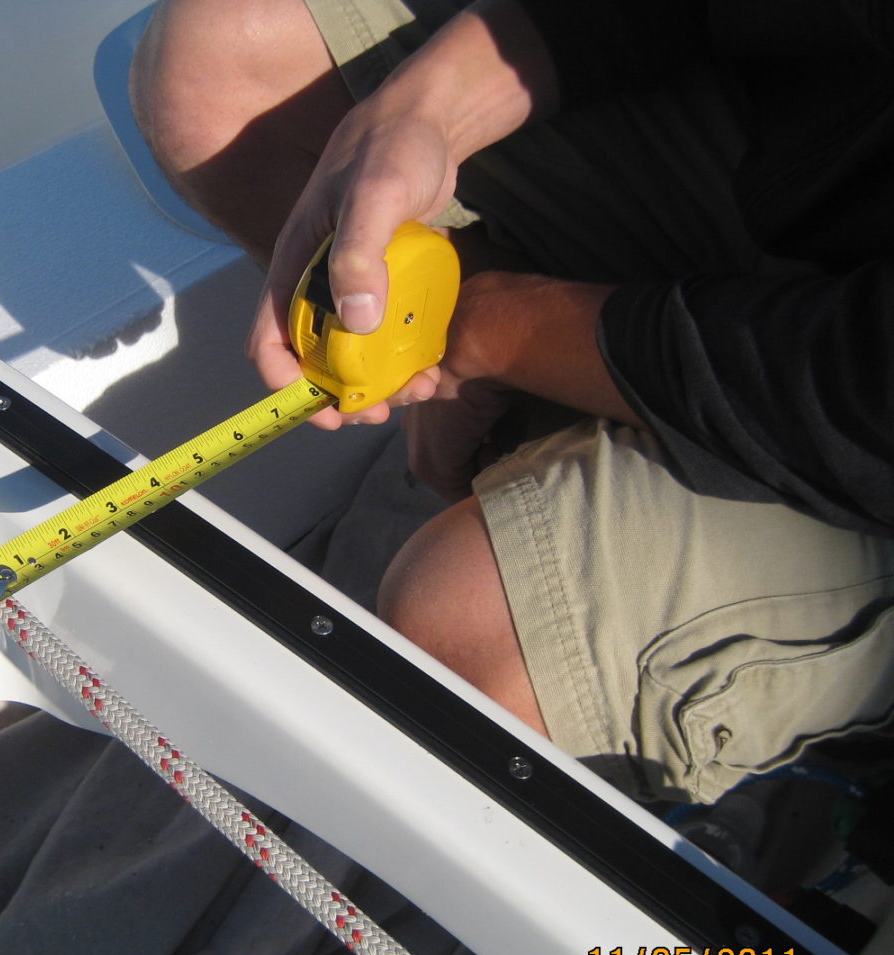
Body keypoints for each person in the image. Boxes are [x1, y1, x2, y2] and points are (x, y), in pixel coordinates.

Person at [130, 0, 894, 803]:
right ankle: (559, 448)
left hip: (862, 412)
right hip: (825, 158)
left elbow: (862, 388)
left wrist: (491, 328)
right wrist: (421, 111)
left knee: (468, 626)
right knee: (219, 59)